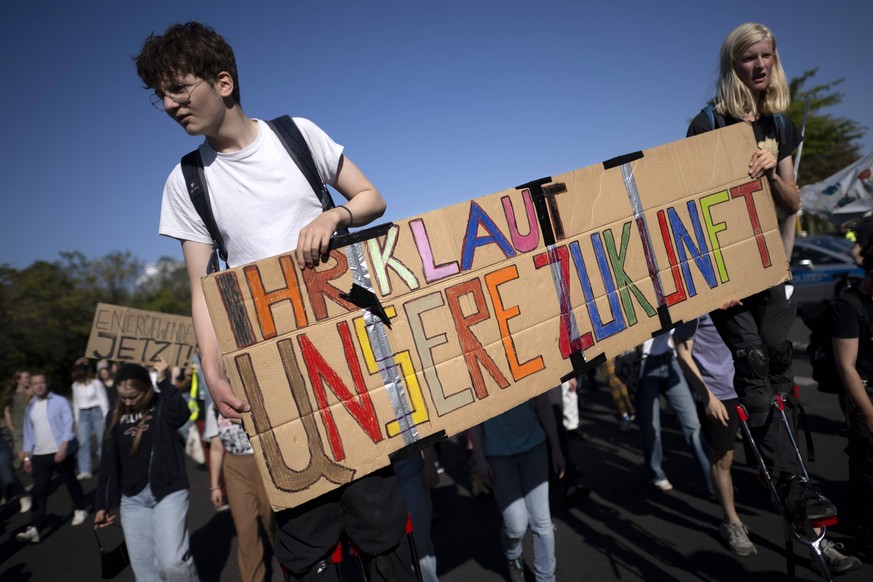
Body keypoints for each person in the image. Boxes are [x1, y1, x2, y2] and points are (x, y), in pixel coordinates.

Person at [135, 22, 415, 581]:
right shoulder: (186, 181)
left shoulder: (297, 135)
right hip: (274, 375)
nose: (168, 105)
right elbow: (203, 289)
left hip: (348, 358)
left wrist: (334, 214)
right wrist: (211, 371)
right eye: (160, 96)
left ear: (224, 82)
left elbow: (372, 197)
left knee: (379, 526)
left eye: (179, 89)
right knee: (306, 538)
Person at [686, 22, 859, 572]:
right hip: (729, 281)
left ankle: (803, 509)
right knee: (755, 369)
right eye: (747, 58)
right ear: (732, 65)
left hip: (770, 271)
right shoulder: (707, 122)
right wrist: (714, 284)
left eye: (766, 56)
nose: (759, 65)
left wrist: (768, 171)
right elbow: (690, 211)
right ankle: (798, 506)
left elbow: (791, 203)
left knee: (781, 369)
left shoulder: (779, 125)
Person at [94, 358, 199, 581]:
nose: (128, 402)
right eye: (123, 397)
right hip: (132, 500)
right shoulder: (113, 415)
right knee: (145, 571)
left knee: (172, 563)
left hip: (168, 492)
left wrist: (164, 381)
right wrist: (102, 504)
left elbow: (182, 416)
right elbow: (108, 463)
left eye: (133, 396)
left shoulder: (162, 404)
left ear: (146, 388)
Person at [674, 314, 755, 556]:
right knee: (724, 458)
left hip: (751, 386)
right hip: (719, 394)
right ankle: (731, 521)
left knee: (772, 457)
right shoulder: (697, 308)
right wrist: (707, 396)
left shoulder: (744, 296)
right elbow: (682, 351)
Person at [470, 395, 565, 582]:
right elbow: (472, 414)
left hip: (534, 446)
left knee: (542, 522)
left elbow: (543, 404)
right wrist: (479, 457)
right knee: (516, 525)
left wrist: (556, 448)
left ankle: (546, 578)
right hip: (497, 453)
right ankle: (513, 554)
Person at [203, 401, 275, 582]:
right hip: (235, 467)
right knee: (245, 529)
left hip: (263, 463)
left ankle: (295, 568)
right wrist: (215, 486)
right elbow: (217, 448)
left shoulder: (248, 397)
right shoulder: (214, 406)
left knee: (273, 522)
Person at [635, 332, 714, 496]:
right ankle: (656, 472)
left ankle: (715, 483)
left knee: (693, 425)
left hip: (670, 361)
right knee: (651, 429)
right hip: (644, 367)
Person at [15, 372, 88, 543]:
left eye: (41, 382)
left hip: (60, 452)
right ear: (31, 387)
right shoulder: (31, 406)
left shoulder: (60, 401)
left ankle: (80, 508)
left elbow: (68, 426)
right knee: (39, 491)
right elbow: (28, 432)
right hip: (39, 455)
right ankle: (34, 528)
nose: (39, 386)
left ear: (47, 384)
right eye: (35, 383)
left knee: (70, 481)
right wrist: (26, 457)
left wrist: (62, 448)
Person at [834, 245, 873, 540]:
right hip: (864, 391)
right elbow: (847, 367)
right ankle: (862, 526)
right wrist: (869, 413)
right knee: (867, 461)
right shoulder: (849, 305)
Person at [70, 363, 110, 480]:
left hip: (96, 411)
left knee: (102, 440)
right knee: (83, 442)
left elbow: (103, 398)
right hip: (83, 413)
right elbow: (76, 402)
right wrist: (76, 419)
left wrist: (106, 415)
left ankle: (106, 467)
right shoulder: (75, 386)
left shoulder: (96, 383)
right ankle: (85, 470)